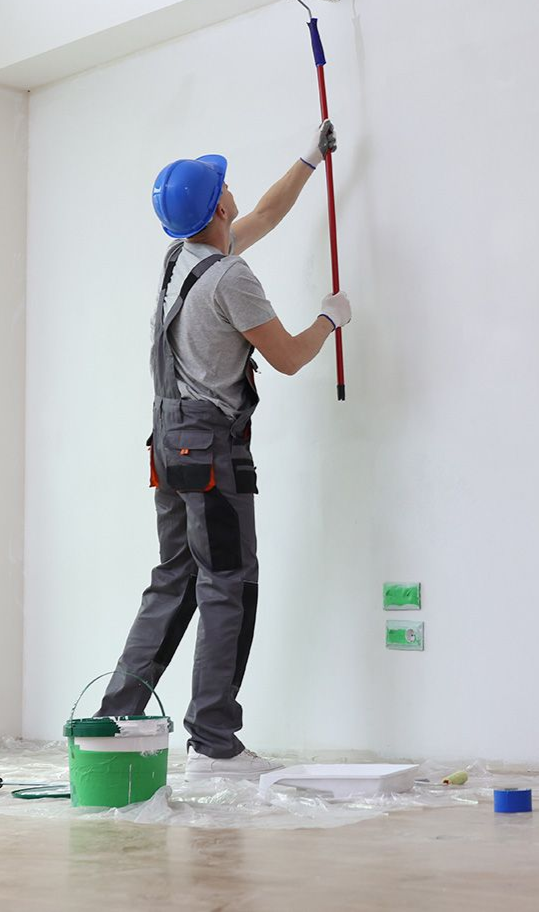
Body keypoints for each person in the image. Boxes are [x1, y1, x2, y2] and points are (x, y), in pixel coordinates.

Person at [96, 120, 351, 784]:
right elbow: (289, 359)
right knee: (228, 586)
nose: (234, 189)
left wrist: (308, 159)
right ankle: (214, 743)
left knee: (174, 580)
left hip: (169, 443)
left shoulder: (182, 259)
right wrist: (329, 319)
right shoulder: (230, 278)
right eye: (223, 186)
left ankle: (114, 724)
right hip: (212, 452)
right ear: (216, 209)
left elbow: (265, 212)